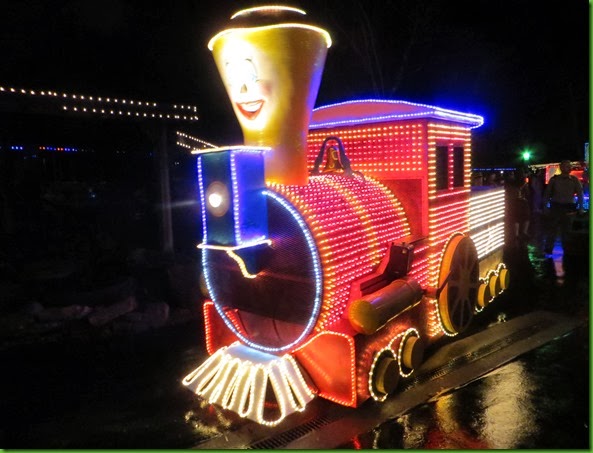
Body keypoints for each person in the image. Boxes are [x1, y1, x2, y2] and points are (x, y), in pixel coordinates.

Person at [542, 160, 585, 255]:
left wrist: (580, 207)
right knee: (552, 229)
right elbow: (547, 194)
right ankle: (549, 248)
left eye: (569, 166)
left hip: (568, 208)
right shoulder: (554, 180)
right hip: (556, 207)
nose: (569, 168)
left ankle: (567, 249)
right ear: (561, 168)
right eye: (566, 166)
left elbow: (580, 194)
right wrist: (545, 206)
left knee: (567, 231)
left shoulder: (574, 180)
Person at [506, 168, 531, 245]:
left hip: (515, 202)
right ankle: (524, 232)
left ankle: (516, 234)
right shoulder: (524, 183)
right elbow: (528, 193)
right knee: (526, 217)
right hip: (523, 202)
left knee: (516, 218)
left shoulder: (511, 182)